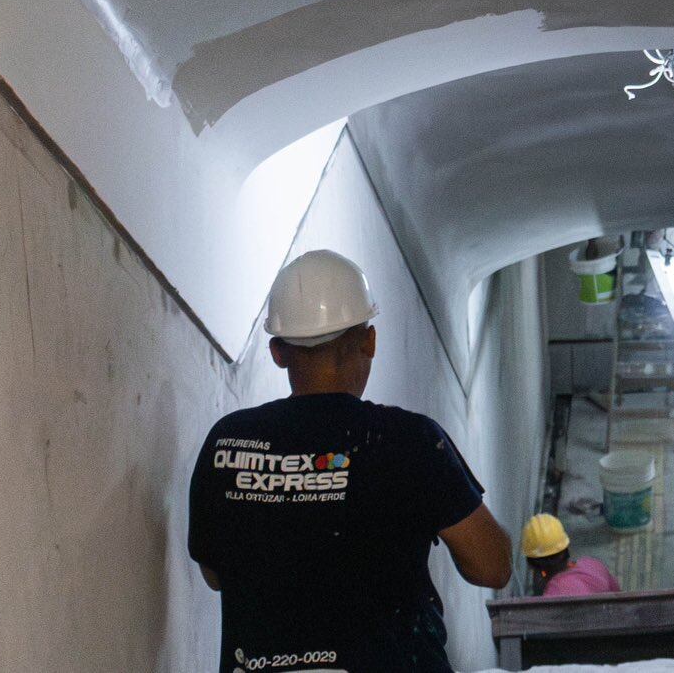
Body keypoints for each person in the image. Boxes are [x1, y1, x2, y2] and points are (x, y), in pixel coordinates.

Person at [188, 250, 514, 673]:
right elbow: (492, 566)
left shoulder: (228, 441)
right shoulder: (408, 440)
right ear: (369, 341)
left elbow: (216, 574)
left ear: (278, 352)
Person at [521, 514, 620, 597]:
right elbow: (618, 594)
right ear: (565, 548)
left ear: (532, 564)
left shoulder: (553, 596)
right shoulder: (593, 564)